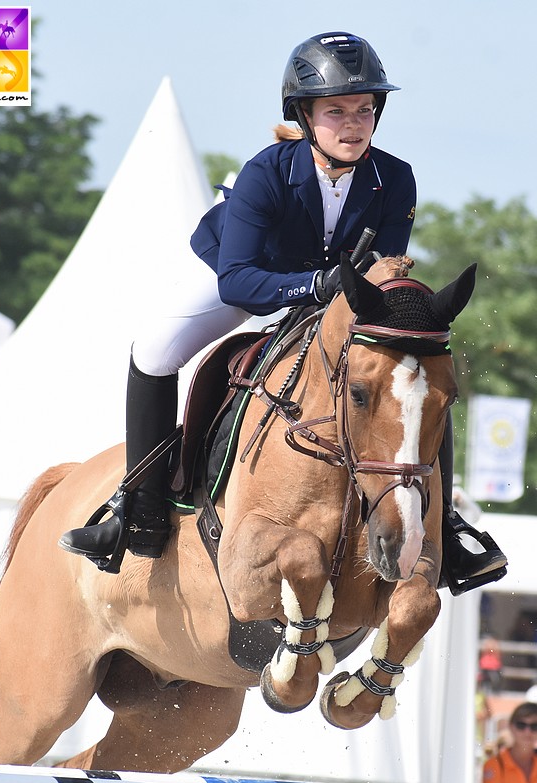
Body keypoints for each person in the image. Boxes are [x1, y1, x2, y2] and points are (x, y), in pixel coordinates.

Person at [59, 31, 507, 591]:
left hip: (331, 294)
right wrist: (318, 284)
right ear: (304, 115)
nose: (354, 124)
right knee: (152, 350)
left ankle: (446, 526)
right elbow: (240, 280)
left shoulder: (394, 177)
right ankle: (140, 508)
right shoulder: (265, 172)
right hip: (242, 273)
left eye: (365, 110)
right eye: (337, 111)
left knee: (413, 374)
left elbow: (383, 270)